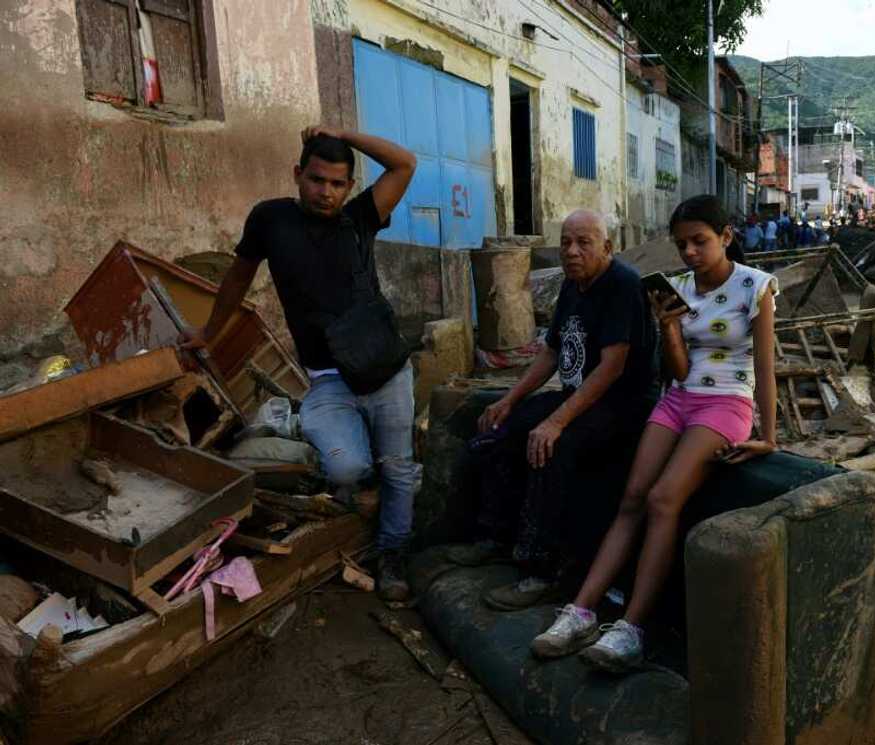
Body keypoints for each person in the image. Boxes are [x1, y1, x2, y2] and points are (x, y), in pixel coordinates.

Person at [530, 194, 778, 672]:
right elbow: (679, 370)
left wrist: (768, 435)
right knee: (632, 498)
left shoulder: (757, 286)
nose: (689, 253)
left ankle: (632, 628)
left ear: (726, 237)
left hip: (727, 402)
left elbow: (765, 368)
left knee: (665, 499)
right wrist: (668, 327)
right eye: (681, 244)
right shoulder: (676, 287)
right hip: (680, 398)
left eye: (699, 242)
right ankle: (581, 612)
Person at [180, 126, 420, 600]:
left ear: (349, 186)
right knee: (346, 471)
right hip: (328, 378)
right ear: (297, 174)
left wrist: (341, 133)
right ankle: (362, 480)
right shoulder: (270, 220)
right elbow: (238, 278)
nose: (324, 192)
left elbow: (404, 163)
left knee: (399, 468)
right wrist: (208, 333)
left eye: (336, 183)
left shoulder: (361, 217)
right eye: (315, 179)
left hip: (385, 370)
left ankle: (392, 555)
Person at [449, 210, 657, 610]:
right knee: (500, 431)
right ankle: (494, 537)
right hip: (578, 396)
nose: (571, 251)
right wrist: (510, 399)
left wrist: (556, 421)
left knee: (551, 448)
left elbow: (612, 367)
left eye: (583, 242)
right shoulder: (572, 286)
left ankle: (541, 571)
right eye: (565, 242)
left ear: (607, 248)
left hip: (620, 405)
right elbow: (551, 351)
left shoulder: (622, 285)